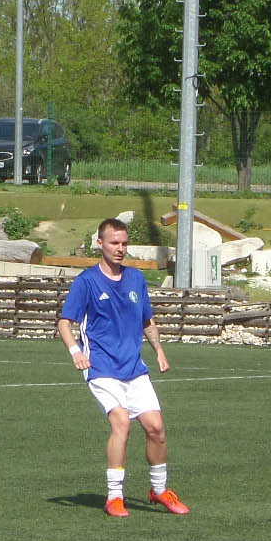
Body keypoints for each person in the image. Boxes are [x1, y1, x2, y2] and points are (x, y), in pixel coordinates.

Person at [56, 217, 188, 518]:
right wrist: (75, 351)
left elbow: (147, 320)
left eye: (124, 243)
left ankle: (159, 490)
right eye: (114, 242)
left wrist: (159, 350)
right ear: (100, 243)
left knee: (156, 429)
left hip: (134, 368)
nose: (120, 248)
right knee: (122, 423)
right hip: (101, 367)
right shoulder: (86, 281)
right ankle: (114, 497)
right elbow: (65, 323)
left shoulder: (136, 279)